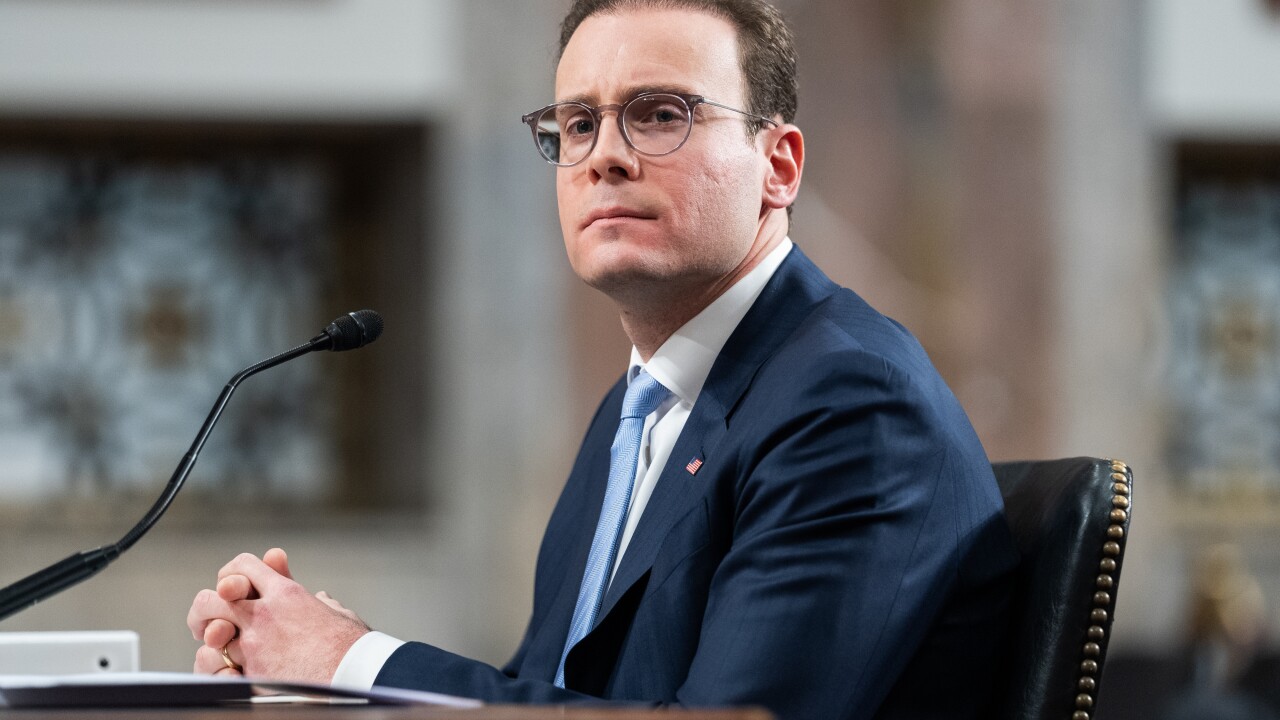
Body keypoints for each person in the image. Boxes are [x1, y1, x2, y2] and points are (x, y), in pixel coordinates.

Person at [187, 1, 1019, 717]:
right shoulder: (638, 410)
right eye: (578, 123)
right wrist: (329, 681)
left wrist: (356, 664)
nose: (604, 155)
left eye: (660, 114)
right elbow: (546, 690)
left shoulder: (849, 403)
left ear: (779, 164)